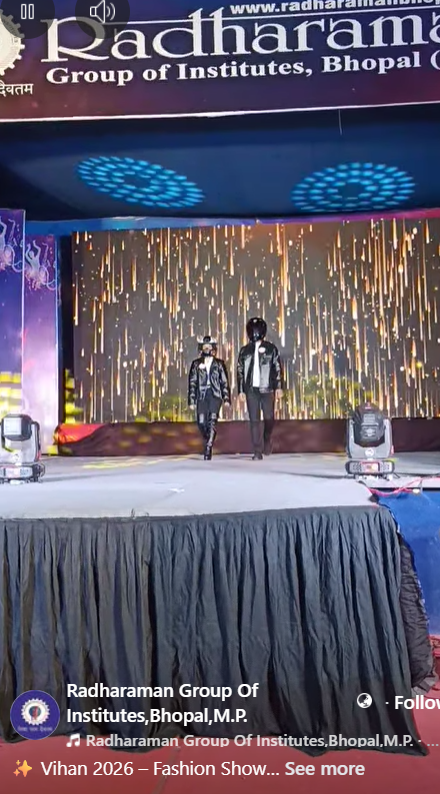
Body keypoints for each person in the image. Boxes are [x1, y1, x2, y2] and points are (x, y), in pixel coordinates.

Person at [237, 317, 283, 460]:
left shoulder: (270, 348)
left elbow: (277, 368)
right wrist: (241, 390)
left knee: (269, 418)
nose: (255, 332)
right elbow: (240, 372)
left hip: (267, 388)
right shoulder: (245, 351)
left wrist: (278, 387)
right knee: (254, 420)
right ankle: (257, 451)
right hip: (251, 390)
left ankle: (266, 438)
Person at [188, 336, 231, 460]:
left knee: (212, 420)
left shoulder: (219, 364)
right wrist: (191, 400)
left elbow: (224, 382)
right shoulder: (196, 364)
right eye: (205, 347)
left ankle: (208, 447)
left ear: (213, 348)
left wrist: (226, 398)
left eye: (209, 346)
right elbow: (192, 383)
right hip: (201, 395)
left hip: (215, 394)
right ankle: (208, 438)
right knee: (201, 421)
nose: (207, 349)